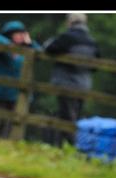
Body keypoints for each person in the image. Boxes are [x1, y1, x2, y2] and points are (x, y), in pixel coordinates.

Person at [43, 13, 100, 147]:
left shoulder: (67, 38)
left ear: (69, 22)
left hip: (66, 84)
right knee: (75, 116)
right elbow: (96, 65)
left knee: (67, 117)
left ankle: (71, 146)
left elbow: (49, 49)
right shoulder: (92, 41)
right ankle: (67, 146)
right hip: (84, 85)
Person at [0, 20, 42, 138]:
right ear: (10, 35)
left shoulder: (27, 50)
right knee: (0, 122)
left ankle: (10, 146)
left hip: (20, 94)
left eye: (22, 33)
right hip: (3, 93)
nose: (20, 36)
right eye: (17, 33)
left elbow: (40, 52)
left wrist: (29, 42)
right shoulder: (2, 49)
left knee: (15, 124)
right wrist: (10, 46)